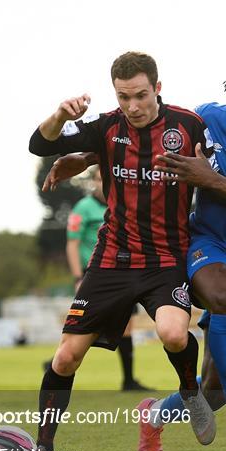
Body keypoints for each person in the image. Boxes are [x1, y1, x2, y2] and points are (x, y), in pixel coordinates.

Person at [44, 58, 226, 451]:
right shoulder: (208, 118)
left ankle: (154, 415)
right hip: (207, 243)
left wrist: (210, 178)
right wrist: (87, 157)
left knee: (215, 389)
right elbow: (145, 140)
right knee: (223, 296)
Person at [28, 51, 216, 451]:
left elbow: (222, 168)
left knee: (172, 333)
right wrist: (61, 114)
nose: (133, 106)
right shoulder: (107, 127)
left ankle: (189, 391)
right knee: (65, 358)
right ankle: (43, 446)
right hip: (112, 259)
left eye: (141, 95)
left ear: (158, 89)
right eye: (124, 96)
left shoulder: (189, 126)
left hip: (166, 258)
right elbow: (39, 144)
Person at [66, 165, 151, 391]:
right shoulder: (83, 208)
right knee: (87, 326)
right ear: (93, 182)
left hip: (122, 270)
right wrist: (77, 277)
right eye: (98, 178)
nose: (102, 182)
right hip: (93, 273)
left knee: (126, 327)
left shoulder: (123, 205)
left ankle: (129, 380)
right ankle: (59, 363)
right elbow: (72, 243)